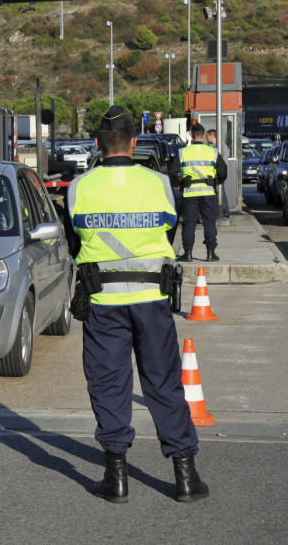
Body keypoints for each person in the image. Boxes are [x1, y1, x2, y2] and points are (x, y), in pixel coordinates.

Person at [67, 106, 209, 504]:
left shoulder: (78, 188)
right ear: (134, 142)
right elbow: (170, 232)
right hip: (152, 301)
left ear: (97, 144)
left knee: (108, 385)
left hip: (102, 303)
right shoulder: (160, 184)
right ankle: (186, 477)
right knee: (164, 384)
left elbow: (74, 244)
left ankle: (117, 479)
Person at [177, 124, 228, 262]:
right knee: (209, 223)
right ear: (204, 135)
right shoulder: (213, 152)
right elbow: (223, 171)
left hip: (190, 194)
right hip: (208, 193)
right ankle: (210, 253)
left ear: (191, 135)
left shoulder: (182, 152)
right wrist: (215, 182)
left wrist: (181, 184)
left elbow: (173, 172)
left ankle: (188, 254)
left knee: (189, 223)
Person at [205, 129, 230, 219]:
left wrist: (221, 172)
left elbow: (224, 161)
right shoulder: (209, 146)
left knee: (221, 192)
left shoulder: (222, 146)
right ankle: (216, 211)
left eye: (207, 136)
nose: (206, 139)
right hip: (210, 173)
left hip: (218, 173)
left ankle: (225, 211)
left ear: (212, 136)